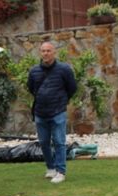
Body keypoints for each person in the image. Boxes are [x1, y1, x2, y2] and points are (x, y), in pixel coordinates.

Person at [28, 42, 77, 184]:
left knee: (59, 142)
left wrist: (61, 100)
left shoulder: (64, 69)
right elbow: (31, 88)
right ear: (40, 52)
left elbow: (72, 88)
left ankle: (61, 171)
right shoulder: (34, 71)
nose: (46, 53)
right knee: (43, 142)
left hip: (58, 112)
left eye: (48, 50)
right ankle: (51, 168)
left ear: (54, 52)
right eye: (43, 51)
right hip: (40, 112)